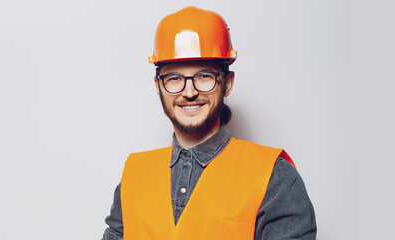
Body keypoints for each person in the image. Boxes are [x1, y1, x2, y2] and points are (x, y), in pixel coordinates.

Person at [102, 6, 316, 240]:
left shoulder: (274, 175)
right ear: (158, 87)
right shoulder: (135, 173)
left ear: (228, 83)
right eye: (174, 78)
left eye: (204, 76)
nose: (189, 92)